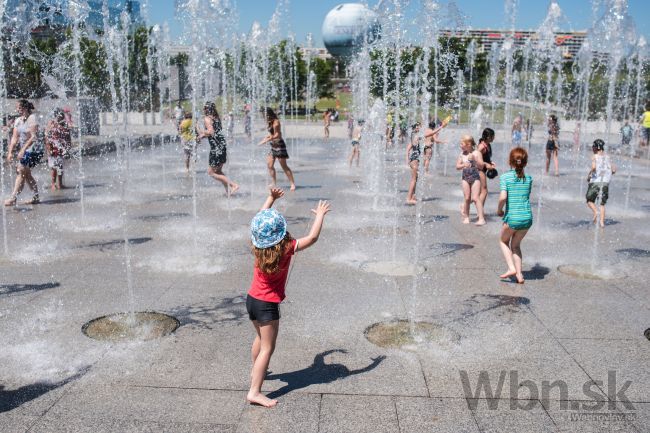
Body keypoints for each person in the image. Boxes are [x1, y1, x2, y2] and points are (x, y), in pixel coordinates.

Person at [246, 188, 330, 407]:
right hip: (267, 305)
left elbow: (258, 219)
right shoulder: (285, 249)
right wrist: (319, 215)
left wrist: (270, 199)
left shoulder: (257, 247)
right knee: (268, 347)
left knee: (259, 339)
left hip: (252, 300)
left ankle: (257, 371)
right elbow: (312, 237)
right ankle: (255, 391)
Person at [497, 147, 533, 284]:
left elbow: (502, 197)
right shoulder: (529, 179)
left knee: (503, 241)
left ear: (510, 161)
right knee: (516, 245)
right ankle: (519, 275)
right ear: (525, 162)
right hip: (527, 219)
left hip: (513, 218)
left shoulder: (505, 177)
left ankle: (511, 268)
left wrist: (499, 210)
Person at [4, 99, 41, 206]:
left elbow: (34, 137)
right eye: (17, 108)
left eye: (19, 108)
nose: (17, 110)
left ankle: (13, 198)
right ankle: (36, 197)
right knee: (27, 174)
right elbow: (15, 138)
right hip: (24, 150)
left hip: (34, 149)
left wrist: (22, 150)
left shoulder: (32, 118)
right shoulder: (18, 120)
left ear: (25, 108)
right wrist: (10, 152)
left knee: (21, 170)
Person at [197, 102, 239, 196]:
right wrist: (203, 135)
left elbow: (211, 132)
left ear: (207, 109)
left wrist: (200, 131)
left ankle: (233, 185)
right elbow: (215, 132)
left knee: (211, 172)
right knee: (218, 171)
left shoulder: (207, 119)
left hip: (216, 148)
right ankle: (228, 192)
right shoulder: (216, 118)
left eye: (204, 108)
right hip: (222, 146)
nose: (203, 110)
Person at [259, 108, 296, 191]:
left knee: (284, 166)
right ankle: (274, 182)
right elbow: (272, 134)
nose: (263, 117)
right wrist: (267, 137)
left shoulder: (276, 122)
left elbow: (278, 135)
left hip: (279, 145)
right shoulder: (269, 122)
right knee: (269, 165)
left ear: (268, 114)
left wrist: (267, 140)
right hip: (273, 145)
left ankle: (292, 183)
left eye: (264, 115)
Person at [456, 135, 486, 225]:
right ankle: (466, 217)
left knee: (475, 198)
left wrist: (475, 160)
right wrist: (463, 165)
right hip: (465, 177)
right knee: (467, 198)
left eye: (462, 144)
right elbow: (457, 166)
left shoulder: (477, 153)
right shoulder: (462, 154)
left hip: (475, 177)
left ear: (468, 144)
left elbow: (481, 166)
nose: (460, 145)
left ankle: (481, 218)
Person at [586, 139, 616, 228]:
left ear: (596, 148)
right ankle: (602, 224)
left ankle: (596, 212)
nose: (592, 148)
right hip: (606, 182)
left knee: (589, 200)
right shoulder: (608, 157)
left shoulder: (594, 156)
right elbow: (613, 170)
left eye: (593, 146)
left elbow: (594, 167)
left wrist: (588, 175)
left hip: (595, 182)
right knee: (602, 204)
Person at [45, 108, 72, 190]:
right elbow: (47, 135)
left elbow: (68, 135)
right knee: (53, 167)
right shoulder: (51, 123)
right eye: (59, 115)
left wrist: (68, 145)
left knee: (60, 166)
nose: (60, 117)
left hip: (61, 147)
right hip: (53, 146)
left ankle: (60, 183)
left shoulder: (64, 124)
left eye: (61, 115)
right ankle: (53, 184)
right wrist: (48, 148)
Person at [478, 128, 497, 208]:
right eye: (493, 136)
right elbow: (476, 158)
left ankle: (465, 205)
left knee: (478, 192)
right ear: (489, 137)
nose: (494, 138)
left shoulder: (488, 145)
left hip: (483, 169)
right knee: (484, 190)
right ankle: (480, 211)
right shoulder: (481, 146)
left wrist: (490, 162)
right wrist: (486, 164)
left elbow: (485, 157)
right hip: (479, 170)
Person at [406, 123, 422, 205]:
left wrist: (407, 159)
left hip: (414, 159)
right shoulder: (416, 136)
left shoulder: (414, 135)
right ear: (415, 128)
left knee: (416, 178)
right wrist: (440, 127)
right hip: (415, 159)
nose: (420, 127)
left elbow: (408, 148)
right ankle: (408, 198)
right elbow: (428, 134)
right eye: (418, 126)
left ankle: (412, 196)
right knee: (414, 179)